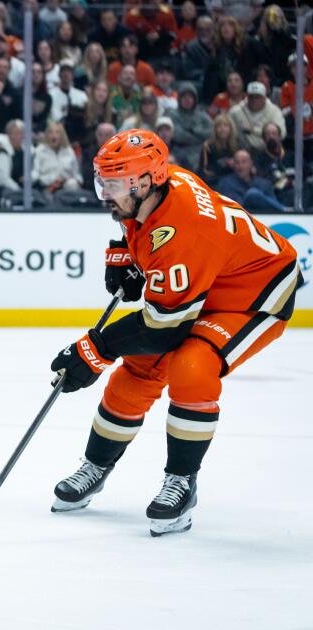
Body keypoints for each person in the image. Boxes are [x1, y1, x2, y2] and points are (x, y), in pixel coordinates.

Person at [49, 129, 302, 537]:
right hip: (208, 276)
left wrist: (94, 349)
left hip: (254, 295)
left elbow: (164, 326)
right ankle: (96, 465)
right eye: (103, 181)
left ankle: (181, 481)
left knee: (190, 365)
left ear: (144, 181)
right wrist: (126, 255)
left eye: (112, 184)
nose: (104, 193)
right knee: (139, 369)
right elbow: (145, 231)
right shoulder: (161, 184)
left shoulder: (185, 229)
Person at [216, 149, 285, 212]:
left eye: (244, 162)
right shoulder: (225, 183)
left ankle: (286, 212)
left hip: (263, 220)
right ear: (233, 165)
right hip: (238, 218)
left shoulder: (264, 184)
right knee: (252, 193)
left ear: (251, 163)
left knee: (253, 193)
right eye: (237, 162)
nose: (240, 166)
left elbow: (273, 205)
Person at [229, 82, 285, 154]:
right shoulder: (235, 112)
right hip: (243, 152)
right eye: (251, 96)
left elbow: (282, 134)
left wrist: (253, 131)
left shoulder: (275, 111)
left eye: (258, 97)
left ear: (265, 97)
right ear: (247, 96)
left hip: (268, 152)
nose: (254, 100)